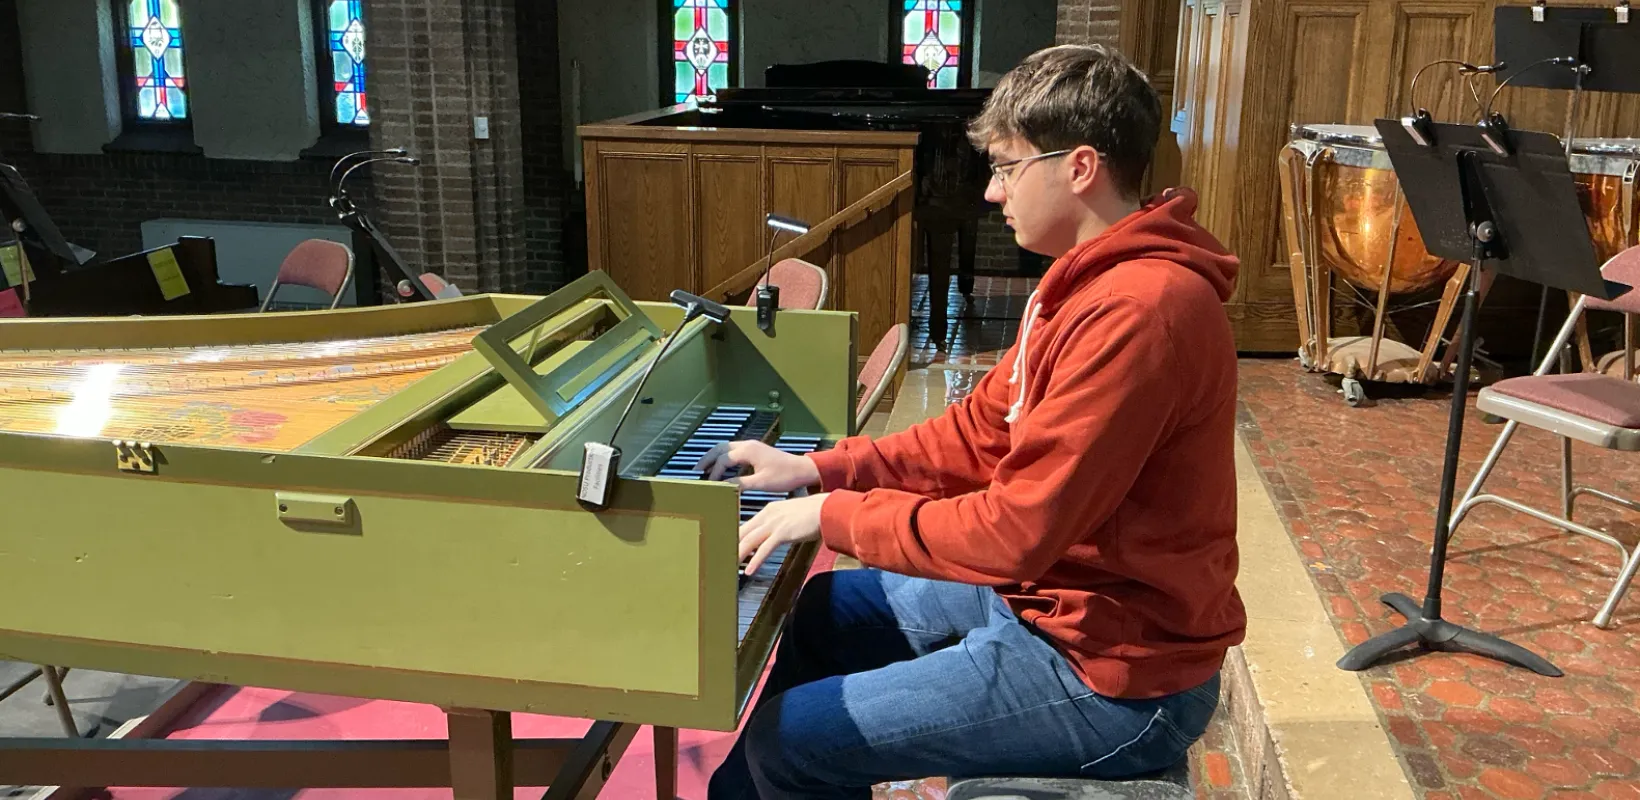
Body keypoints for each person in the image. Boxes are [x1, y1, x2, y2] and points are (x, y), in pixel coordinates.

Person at [697, 43, 1246, 800]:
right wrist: (820, 470)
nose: (992, 193)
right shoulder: (1083, 281)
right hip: (1058, 603)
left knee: (793, 738)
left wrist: (834, 515)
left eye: (1006, 166)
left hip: (1119, 672)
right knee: (824, 612)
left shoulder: (1142, 310)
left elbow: (1016, 531)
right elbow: (976, 434)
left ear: (1079, 166)